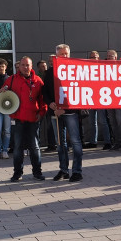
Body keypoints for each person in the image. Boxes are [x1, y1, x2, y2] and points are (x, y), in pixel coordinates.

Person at [44, 43, 84, 182]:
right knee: (60, 144)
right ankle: (64, 170)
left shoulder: (75, 70)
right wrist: (50, 104)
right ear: (56, 55)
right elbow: (45, 92)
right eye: (62, 54)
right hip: (55, 113)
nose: (64, 56)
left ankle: (77, 171)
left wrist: (64, 109)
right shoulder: (49, 72)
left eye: (66, 53)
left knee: (75, 142)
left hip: (71, 112)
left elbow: (79, 93)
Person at [6, 56, 46, 181]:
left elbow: (43, 99)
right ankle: (17, 173)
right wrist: (2, 91)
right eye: (23, 65)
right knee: (18, 148)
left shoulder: (38, 80)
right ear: (19, 66)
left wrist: (42, 112)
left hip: (33, 119)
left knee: (35, 147)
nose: (25, 67)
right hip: (18, 119)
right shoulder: (11, 80)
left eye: (27, 65)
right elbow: (5, 97)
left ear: (31, 66)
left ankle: (37, 172)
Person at [105, 50, 121, 152]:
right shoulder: (104, 68)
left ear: (116, 57)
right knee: (112, 122)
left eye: (111, 56)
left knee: (120, 121)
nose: (110, 57)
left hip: (119, 99)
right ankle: (117, 143)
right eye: (108, 56)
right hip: (108, 99)